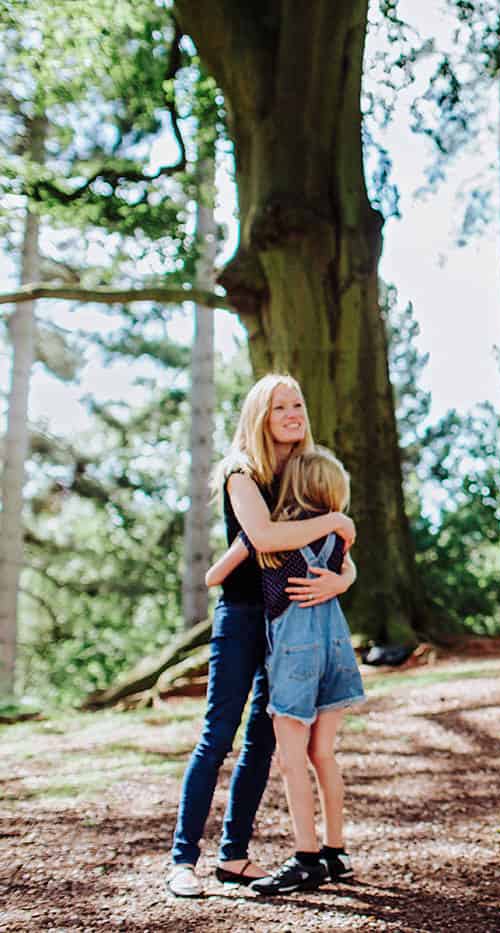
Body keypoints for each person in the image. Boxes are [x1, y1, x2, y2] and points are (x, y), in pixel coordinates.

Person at [166, 375, 356, 898]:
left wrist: (341, 579)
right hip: (245, 618)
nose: (293, 413)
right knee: (218, 735)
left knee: (263, 742)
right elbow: (266, 537)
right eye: (280, 407)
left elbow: (342, 558)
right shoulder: (241, 473)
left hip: (292, 626)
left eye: (298, 403)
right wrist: (336, 520)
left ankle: (234, 856)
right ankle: (183, 861)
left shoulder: (305, 473)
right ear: (260, 416)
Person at [205, 446, 365, 896]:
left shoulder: (276, 544)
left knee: (292, 759)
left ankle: (305, 857)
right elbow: (345, 570)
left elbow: (215, 577)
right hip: (336, 654)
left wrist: (245, 541)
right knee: (324, 755)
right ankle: (337, 852)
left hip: (296, 657)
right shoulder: (339, 543)